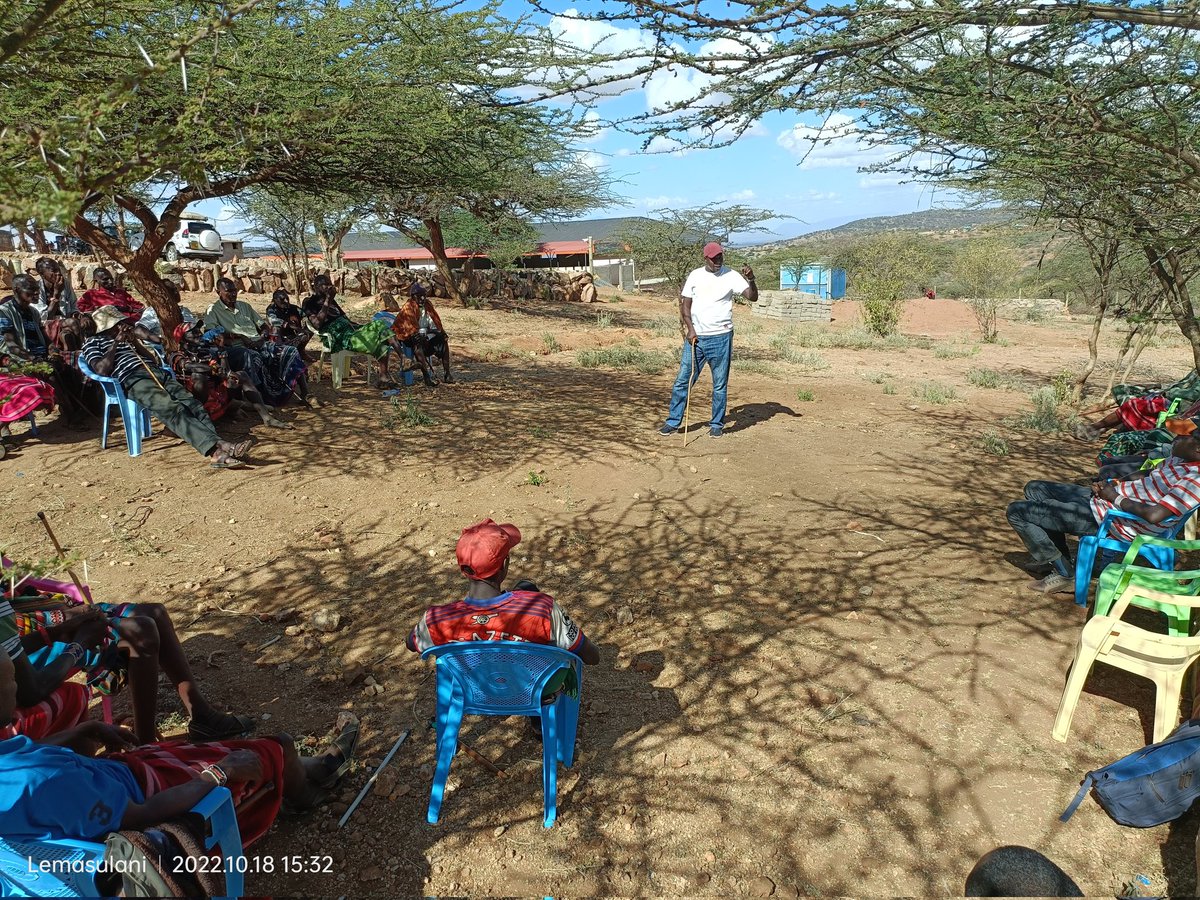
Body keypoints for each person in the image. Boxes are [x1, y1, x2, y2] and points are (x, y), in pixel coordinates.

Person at [0, 648, 359, 847]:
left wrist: (88, 727)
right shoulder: (47, 781)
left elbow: (26, 754)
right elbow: (141, 816)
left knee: (204, 748)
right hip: (147, 792)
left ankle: (297, 767)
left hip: (116, 776)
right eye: (10, 681)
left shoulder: (18, 771)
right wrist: (221, 772)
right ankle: (302, 791)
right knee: (274, 747)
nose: (19, 689)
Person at [3, 568, 254, 744]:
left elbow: (11, 604)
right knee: (139, 630)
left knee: (153, 612)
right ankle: (144, 746)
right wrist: (77, 643)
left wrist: (57, 624)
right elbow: (29, 691)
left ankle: (201, 716)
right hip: (23, 662)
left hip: (27, 629)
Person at [1005, 430, 1200, 593]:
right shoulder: (1180, 460)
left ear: (1198, 449)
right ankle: (1056, 558)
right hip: (1106, 501)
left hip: (1115, 520)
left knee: (1017, 512)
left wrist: (1114, 496)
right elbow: (1147, 474)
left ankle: (1065, 574)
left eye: (1189, 436)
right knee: (1034, 488)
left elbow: (1155, 515)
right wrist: (1114, 484)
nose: (1180, 436)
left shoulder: (1195, 481)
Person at [406, 519, 601, 667]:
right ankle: (538, 719)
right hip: (530, 693)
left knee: (525, 589)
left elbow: (411, 643)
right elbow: (591, 656)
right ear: (504, 566)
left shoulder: (436, 620)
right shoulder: (543, 610)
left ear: (463, 569)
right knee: (528, 591)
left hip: (472, 692)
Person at [80, 305, 251, 467]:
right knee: (172, 408)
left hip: (156, 373)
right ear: (108, 327)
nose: (124, 326)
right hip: (134, 380)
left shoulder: (127, 340)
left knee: (193, 404)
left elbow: (152, 360)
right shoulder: (93, 343)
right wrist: (116, 343)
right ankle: (217, 451)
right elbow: (101, 370)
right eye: (119, 324)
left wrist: (136, 343)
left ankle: (217, 444)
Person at [657, 242, 758, 438]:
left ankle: (716, 424)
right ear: (706, 258)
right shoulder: (695, 275)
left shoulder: (732, 276)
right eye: (714, 258)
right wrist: (690, 329)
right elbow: (685, 306)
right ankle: (673, 421)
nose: (718, 261)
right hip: (696, 338)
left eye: (720, 257)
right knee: (683, 381)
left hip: (721, 337)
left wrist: (751, 279)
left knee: (719, 384)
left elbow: (752, 297)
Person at [0, 274, 89, 427]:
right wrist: (33, 358)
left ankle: (85, 406)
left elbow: (44, 337)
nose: (35, 293)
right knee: (50, 373)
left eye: (36, 290)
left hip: (40, 356)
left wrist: (53, 350)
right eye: (31, 290)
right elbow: (12, 346)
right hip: (17, 359)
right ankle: (71, 415)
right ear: (16, 290)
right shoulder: (4, 312)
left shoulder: (33, 312)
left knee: (76, 362)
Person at [206, 278, 309, 406]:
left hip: (259, 342)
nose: (233, 294)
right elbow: (211, 332)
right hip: (238, 347)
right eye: (228, 291)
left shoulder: (245, 306)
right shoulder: (214, 311)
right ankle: (263, 398)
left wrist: (262, 337)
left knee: (290, 351)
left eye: (234, 291)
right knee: (253, 358)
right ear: (218, 292)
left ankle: (306, 394)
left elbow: (263, 326)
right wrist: (238, 336)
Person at [305, 273, 406, 387]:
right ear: (317, 287)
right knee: (380, 330)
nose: (329, 287)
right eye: (326, 285)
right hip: (339, 337)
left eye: (330, 284)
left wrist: (360, 328)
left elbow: (344, 317)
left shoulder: (331, 300)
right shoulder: (310, 303)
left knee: (381, 329)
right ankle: (397, 363)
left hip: (351, 331)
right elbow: (317, 324)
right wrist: (328, 300)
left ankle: (391, 370)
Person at [390, 282, 454, 387]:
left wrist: (437, 332)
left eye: (424, 296)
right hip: (409, 337)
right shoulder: (408, 307)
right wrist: (419, 334)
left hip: (427, 334)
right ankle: (426, 377)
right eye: (419, 296)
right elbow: (409, 328)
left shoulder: (428, 305)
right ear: (413, 297)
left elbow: (434, 323)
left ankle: (447, 373)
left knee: (443, 340)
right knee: (418, 344)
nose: (422, 299)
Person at [77, 266, 145, 320]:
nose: (110, 282)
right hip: (110, 324)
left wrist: (128, 308)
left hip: (131, 320)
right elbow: (80, 306)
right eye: (105, 279)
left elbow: (139, 306)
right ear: (96, 281)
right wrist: (102, 309)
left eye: (111, 278)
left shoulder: (121, 292)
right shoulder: (91, 294)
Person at [265, 288, 310, 354]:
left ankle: (301, 352)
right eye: (282, 299)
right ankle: (278, 352)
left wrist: (305, 322)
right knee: (275, 328)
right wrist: (293, 326)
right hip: (278, 338)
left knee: (309, 328)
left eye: (287, 298)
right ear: (275, 300)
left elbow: (304, 315)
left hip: (292, 337)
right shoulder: (271, 309)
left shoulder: (293, 308)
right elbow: (273, 320)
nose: (286, 301)